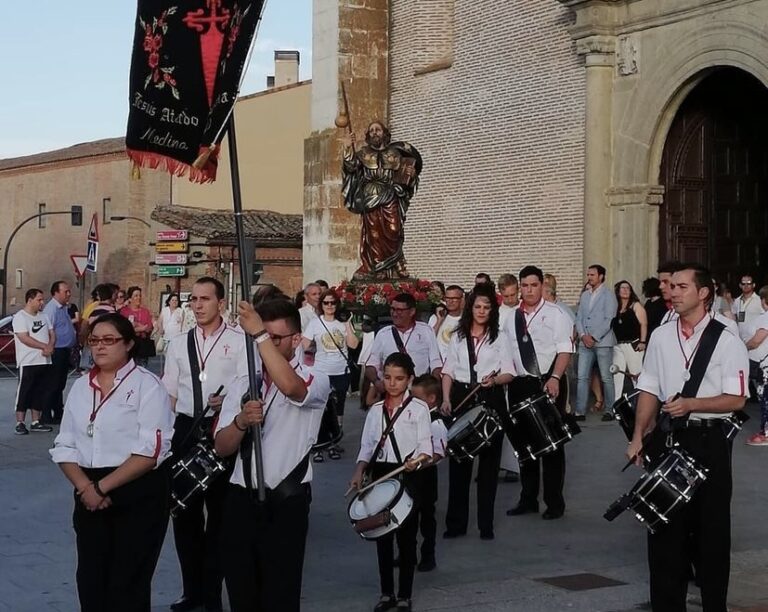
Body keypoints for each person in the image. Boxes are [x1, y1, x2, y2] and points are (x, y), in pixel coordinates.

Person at [627, 264, 748, 611]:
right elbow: (649, 386)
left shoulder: (726, 338)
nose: (673, 292)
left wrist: (691, 404)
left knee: (710, 535)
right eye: (670, 286)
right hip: (668, 441)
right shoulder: (662, 336)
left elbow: (737, 398)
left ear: (703, 292)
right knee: (663, 532)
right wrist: (638, 435)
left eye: (681, 286)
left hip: (709, 442)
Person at [50, 313, 174, 611]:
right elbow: (64, 445)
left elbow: (149, 452)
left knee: (127, 584)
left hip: (135, 488)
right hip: (89, 489)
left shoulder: (148, 386)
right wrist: (85, 487)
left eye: (109, 340)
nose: (100, 347)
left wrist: (102, 488)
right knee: (91, 580)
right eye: (94, 341)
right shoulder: (81, 387)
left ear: (129, 343)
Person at [214, 298, 330, 612]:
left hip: (285, 499)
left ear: (296, 339)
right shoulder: (243, 382)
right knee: (241, 592)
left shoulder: (315, 376)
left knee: (280, 593)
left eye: (274, 337)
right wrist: (240, 422)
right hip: (241, 497)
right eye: (260, 337)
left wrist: (260, 337)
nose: (265, 343)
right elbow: (222, 446)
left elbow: (294, 389)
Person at [162, 277, 248, 612]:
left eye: (205, 299)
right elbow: (169, 390)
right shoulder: (179, 343)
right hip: (185, 428)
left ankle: (212, 593)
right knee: (183, 515)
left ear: (222, 303)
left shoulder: (240, 341)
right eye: (193, 300)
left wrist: (228, 401)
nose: (197, 305)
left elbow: (247, 385)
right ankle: (191, 590)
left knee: (221, 517)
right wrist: (166, 436)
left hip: (221, 428)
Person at [350, 352, 432, 612]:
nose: (392, 383)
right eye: (387, 377)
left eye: (398, 378)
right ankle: (387, 593)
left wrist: (416, 461)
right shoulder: (375, 411)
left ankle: (405, 594)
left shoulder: (419, 409)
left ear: (409, 379)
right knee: (381, 535)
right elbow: (367, 447)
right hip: (381, 473)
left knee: (406, 537)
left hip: (408, 473)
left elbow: (426, 447)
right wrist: (359, 471)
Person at [441, 283, 515, 539]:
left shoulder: (499, 337)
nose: (481, 311)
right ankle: (456, 524)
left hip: (490, 397)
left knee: (488, 466)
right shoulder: (458, 335)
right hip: (462, 394)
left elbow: (509, 372)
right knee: (459, 463)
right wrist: (446, 398)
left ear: (492, 310)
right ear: (470, 308)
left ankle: (486, 525)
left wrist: (493, 381)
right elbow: (448, 369)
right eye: (478, 306)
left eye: (486, 307)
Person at [504, 266, 573, 520]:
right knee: (525, 445)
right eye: (525, 285)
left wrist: (555, 377)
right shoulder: (510, 317)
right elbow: (506, 351)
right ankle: (528, 498)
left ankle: (554, 502)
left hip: (547, 381)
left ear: (542, 285)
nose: (529, 290)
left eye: (534, 285)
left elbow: (565, 349)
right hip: (519, 384)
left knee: (551, 444)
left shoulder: (556, 314)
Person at [342, 121, 422, 279]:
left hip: (391, 195)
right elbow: (351, 167)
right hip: (370, 197)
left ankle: (397, 262)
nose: (374, 133)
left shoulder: (396, 154)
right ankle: (379, 268)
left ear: (384, 133)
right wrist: (347, 148)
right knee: (374, 233)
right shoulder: (362, 153)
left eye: (377, 130)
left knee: (394, 229)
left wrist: (411, 175)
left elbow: (406, 175)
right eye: (371, 130)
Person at [302, 288, 359, 461]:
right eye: (326, 302)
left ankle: (334, 441)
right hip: (322, 372)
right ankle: (319, 445)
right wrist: (314, 352)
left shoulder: (341, 323)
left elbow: (354, 345)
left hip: (341, 370)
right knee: (322, 407)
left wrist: (348, 324)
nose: (329, 306)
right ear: (321, 305)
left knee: (338, 408)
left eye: (332, 302)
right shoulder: (315, 323)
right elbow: (304, 346)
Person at [365, 292, 442, 405]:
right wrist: (377, 382)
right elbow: (371, 365)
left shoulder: (426, 331)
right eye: (393, 309)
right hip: (391, 393)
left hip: (418, 393)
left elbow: (436, 363)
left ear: (412, 312)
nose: (395, 314)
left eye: (400, 310)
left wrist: (433, 386)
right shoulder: (383, 334)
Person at [410, 373, 448, 573]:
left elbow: (438, 454)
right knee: (408, 517)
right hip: (411, 475)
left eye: (416, 398)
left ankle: (428, 555)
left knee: (426, 518)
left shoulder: (436, 423)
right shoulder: (414, 417)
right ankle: (408, 553)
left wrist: (419, 463)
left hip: (425, 477)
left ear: (431, 399)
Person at [575, 264, 617, 421]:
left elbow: (609, 319)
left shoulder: (609, 295)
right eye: (588, 274)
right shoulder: (585, 295)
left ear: (601, 276)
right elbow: (579, 316)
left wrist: (593, 337)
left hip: (603, 342)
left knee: (606, 377)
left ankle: (610, 410)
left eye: (592, 274)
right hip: (584, 342)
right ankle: (579, 411)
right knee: (582, 376)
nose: (589, 277)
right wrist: (583, 335)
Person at [12, 289, 54, 435]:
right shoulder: (20, 317)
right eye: (39, 300)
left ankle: (36, 421)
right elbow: (24, 337)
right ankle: (20, 422)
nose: (42, 303)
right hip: (28, 361)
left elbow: (52, 332)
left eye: (42, 300)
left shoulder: (44, 316)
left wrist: (50, 346)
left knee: (39, 391)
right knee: (24, 391)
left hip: (44, 360)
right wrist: (44, 346)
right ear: (30, 300)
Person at [43, 280, 77, 424]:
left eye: (69, 291)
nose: (68, 294)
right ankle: (46, 414)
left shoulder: (63, 308)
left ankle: (58, 411)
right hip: (56, 350)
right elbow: (47, 331)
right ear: (56, 293)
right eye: (65, 291)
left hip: (64, 349)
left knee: (60, 383)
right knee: (53, 383)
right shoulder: (51, 309)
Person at [611, 280, 648, 401]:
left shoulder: (635, 305)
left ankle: (640, 403)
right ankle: (616, 404)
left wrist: (642, 341)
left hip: (633, 344)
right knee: (617, 373)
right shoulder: (615, 307)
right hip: (618, 345)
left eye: (628, 288)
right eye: (623, 288)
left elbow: (643, 323)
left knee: (635, 375)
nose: (625, 290)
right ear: (618, 290)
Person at [744, 285, 768, 446]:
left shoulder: (765, 317)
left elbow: (757, 340)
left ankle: (766, 432)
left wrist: (742, 347)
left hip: (764, 365)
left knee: (765, 398)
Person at [427, 285, 464, 362]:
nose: (450, 301)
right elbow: (429, 341)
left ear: (462, 300)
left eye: (454, 298)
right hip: (439, 365)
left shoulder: (466, 320)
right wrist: (439, 321)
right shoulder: (435, 318)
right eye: (447, 298)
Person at [119, 286, 154, 366]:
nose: (139, 298)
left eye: (140, 295)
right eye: (136, 296)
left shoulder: (145, 311)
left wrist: (137, 325)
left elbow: (148, 328)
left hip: (142, 346)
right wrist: (141, 329)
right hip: (128, 345)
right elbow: (123, 328)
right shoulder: (124, 311)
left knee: (142, 370)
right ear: (130, 299)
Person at [731, 274, 764, 341]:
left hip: (755, 340)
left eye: (749, 283)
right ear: (740, 285)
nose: (746, 286)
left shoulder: (759, 300)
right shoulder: (737, 301)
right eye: (743, 284)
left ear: (753, 285)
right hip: (740, 340)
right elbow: (734, 318)